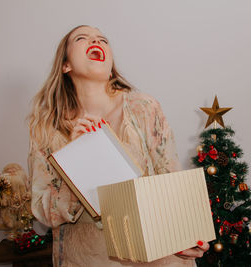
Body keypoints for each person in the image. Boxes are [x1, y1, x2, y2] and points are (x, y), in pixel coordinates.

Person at [28, 25, 209, 267]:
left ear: (110, 63)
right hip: (89, 259)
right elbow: (42, 211)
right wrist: (76, 159)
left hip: (157, 256)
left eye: (103, 39)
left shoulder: (144, 107)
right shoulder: (46, 127)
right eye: (82, 38)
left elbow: (170, 177)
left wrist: (188, 236)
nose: (96, 40)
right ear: (65, 65)